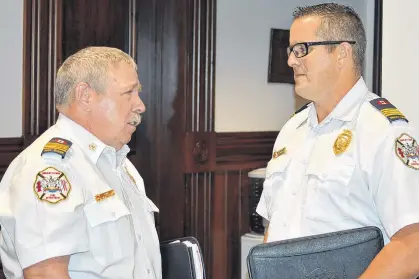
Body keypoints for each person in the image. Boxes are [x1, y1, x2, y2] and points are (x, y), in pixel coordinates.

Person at [256, 3, 419, 278]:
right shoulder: (291, 131)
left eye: (302, 49)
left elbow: (412, 243)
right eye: (291, 50)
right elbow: (276, 226)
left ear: (342, 53)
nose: (291, 61)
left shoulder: (383, 131)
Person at [0, 46, 161, 279]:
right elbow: (45, 274)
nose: (140, 105)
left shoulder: (119, 163)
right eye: (129, 93)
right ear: (85, 96)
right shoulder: (50, 170)